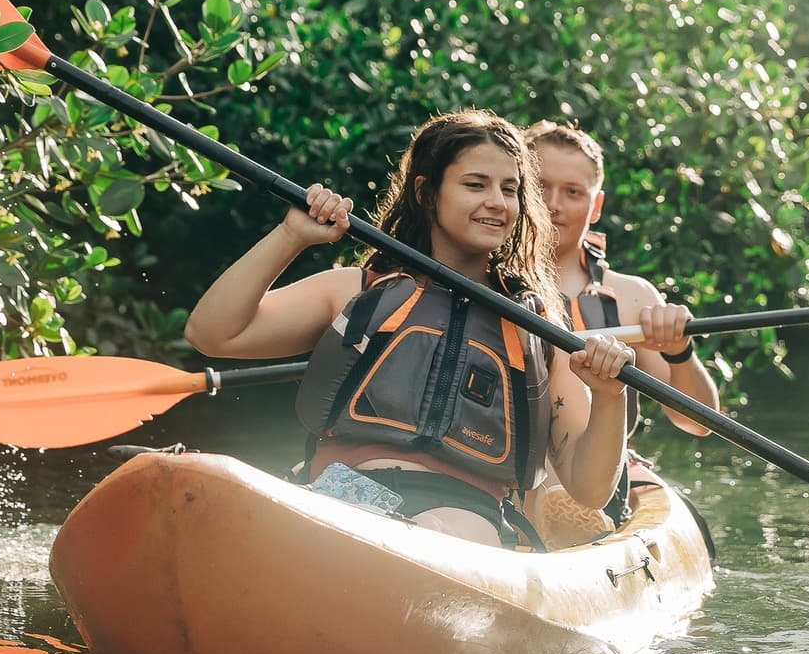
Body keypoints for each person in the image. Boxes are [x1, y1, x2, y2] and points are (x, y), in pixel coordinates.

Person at [183, 109, 633, 548]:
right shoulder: (357, 291)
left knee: (444, 530)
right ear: (426, 192)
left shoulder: (538, 331)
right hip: (340, 492)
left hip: (462, 514)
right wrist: (292, 236)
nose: (497, 202)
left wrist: (610, 397)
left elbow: (590, 490)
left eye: (510, 189)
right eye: (475, 185)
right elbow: (213, 334)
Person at [524, 120, 723, 437]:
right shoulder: (482, 281)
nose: (552, 205)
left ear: (596, 207)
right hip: (508, 475)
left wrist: (680, 353)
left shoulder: (632, 296)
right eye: (539, 186)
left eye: (573, 192)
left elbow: (700, 425)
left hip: (607, 475)